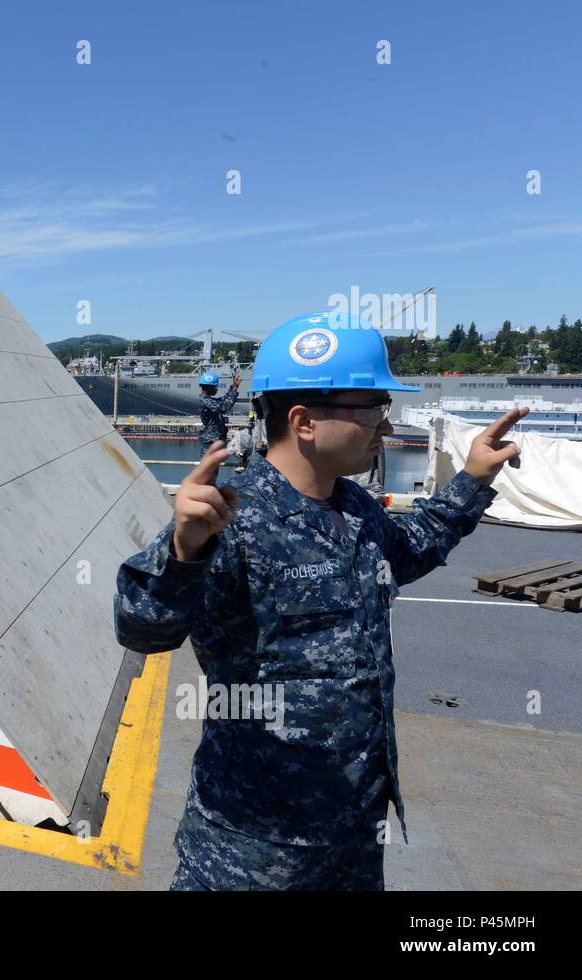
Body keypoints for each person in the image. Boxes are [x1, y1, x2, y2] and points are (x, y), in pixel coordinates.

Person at [114, 312, 527, 891]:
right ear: (305, 421)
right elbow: (144, 631)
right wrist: (183, 551)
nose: (386, 427)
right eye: (374, 410)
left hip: (354, 830)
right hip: (253, 849)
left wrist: (472, 479)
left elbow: (410, 549)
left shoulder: (355, 508)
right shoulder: (232, 519)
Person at [198, 370, 242, 457]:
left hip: (214, 442)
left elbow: (222, 401)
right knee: (210, 469)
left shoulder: (208, 400)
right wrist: (234, 391)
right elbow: (224, 407)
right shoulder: (205, 401)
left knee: (213, 469)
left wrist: (233, 387)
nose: (217, 389)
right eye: (215, 387)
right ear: (209, 387)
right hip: (210, 443)